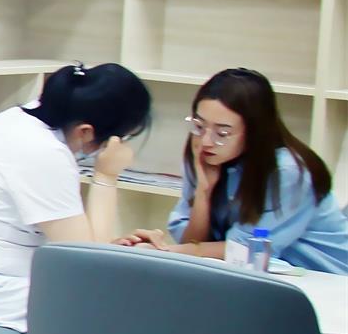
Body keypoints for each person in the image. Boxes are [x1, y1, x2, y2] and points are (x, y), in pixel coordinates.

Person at [0, 63, 152, 332]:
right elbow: (91, 264)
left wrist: (110, 246)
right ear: (85, 131)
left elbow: (84, 249)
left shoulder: (18, 119)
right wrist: (107, 176)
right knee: (123, 305)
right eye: (119, 139)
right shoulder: (44, 152)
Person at [121, 67, 348, 272]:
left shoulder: (288, 172)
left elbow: (248, 248)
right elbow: (192, 243)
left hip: (328, 278)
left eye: (222, 133)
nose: (206, 141)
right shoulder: (203, 152)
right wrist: (203, 193)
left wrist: (162, 252)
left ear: (255, 132)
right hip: (259, 275)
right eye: (199, 125)